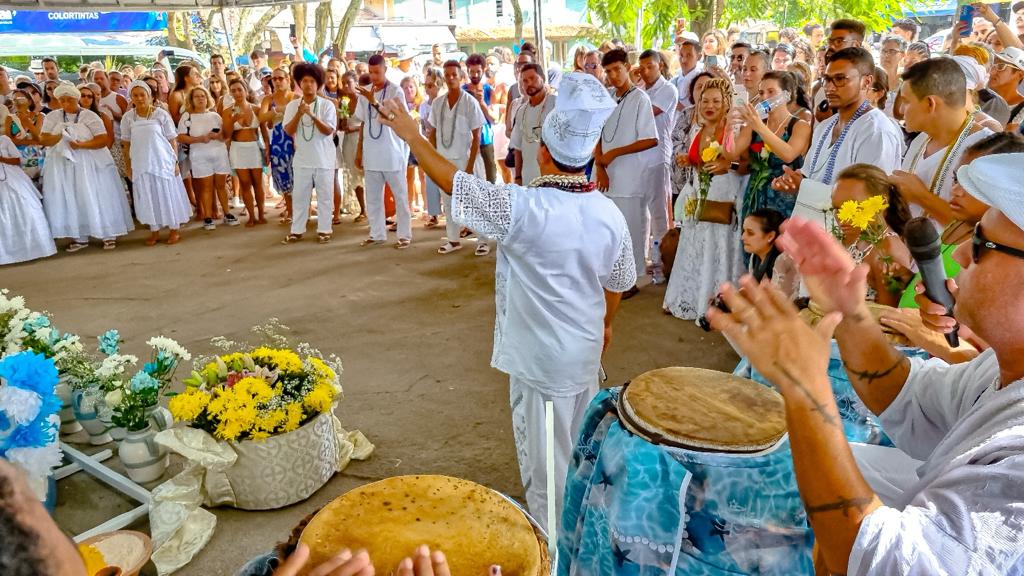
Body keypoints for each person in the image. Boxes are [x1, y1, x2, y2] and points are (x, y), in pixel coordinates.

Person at [709, 151, 1024, 575]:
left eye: (983, 243)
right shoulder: (1003, 369)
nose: (963, 254)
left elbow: (889, 564)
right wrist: (852, 315)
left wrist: (806, 388)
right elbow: (915, 401)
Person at [378, 71, 635, 533]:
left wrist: (413, 136)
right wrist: (607, 326)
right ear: (590, 156)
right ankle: (579, 529)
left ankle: (557, 551)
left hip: (543, 363)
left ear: (542, 153)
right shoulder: (608, 213)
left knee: (549, 473)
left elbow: (456, 183)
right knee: (579, 448)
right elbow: (616, 282)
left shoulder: (523, 208)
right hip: (582, 353)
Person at [773, 48, 903, 202]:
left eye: (840, 79)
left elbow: (871, 197)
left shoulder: (876, 131)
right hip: (811, 220)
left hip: (847, 225)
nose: (829, 87)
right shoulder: (825, 126)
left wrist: (805, 186)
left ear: (866, 82)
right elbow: (809, 174)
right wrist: (792, 180)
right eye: (826, 79)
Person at [663, 77, 744, 320]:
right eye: (705, 100)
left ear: (726, 103)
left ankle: (719, 300)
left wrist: (728, 164)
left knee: (717, 242)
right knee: (696, 242)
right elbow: (700, 159)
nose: (710, 105)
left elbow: (744, 164)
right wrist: (689, 160)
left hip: (724, 190)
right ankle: (691, 297)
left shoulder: (732, 129)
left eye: (716, 101)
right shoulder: (698, 129)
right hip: (700, 189)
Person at [891, 58, 993, 226]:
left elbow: (981, 229)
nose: (901, 110)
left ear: (930, 103)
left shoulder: (985, 148)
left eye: (907, 101)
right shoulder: (921, 140)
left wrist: (921, 196)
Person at [39, 82, 133, 251]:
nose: (66, 103)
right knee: (73, 197)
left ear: (77, 100)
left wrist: (81, 145)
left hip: (90, 163)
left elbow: (103, 139)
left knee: (96, 195)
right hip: (64, 165)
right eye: (62, 100)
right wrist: (61, 134)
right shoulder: (53, 117)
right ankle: (79, 236)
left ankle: (108, 233)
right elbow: (44, 139)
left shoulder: (89, 116)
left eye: (69, 100)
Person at [595, 49, 658, 299]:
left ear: (627, 67)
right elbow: (597, 134)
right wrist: (600, 164)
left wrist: (615, 154)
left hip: (630, 175)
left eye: (617, 69)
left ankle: (630, 280)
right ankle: (611, 274)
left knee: (630, 227)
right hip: (605, 174)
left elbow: (650, 139)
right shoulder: (607, 97)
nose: (613, 75)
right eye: (608, 71)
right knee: (606, 227)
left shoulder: (640, 98)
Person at [728, 70, 811, 221]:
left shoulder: (800, 125)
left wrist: (759, 126)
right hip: (755, 197)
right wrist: (729, 126)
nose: (764, 97)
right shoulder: (754, 125)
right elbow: (731, 153)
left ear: (787, 95)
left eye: (771, 92)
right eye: (761, 92)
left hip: (784, 201)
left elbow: (788, 154)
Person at [121, 81, 191, 246]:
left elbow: (172, 140)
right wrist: (128, 165)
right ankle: (154, 230)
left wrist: (174, 162)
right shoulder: (128, 118)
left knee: (166, 194)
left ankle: (174, 229)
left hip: (162, 161)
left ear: (150, 96)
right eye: (135, 95)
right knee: (147, 195)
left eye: (142, 95)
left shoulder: (161, 114)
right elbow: (126, 144)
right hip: (140, 162)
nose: (139, 98)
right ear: (131, 97)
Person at [354, 54, 412, 249]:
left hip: (392, 153)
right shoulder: (365, 92)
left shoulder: (396, 91)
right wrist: (359, 150)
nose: (373, 76)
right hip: (371, 152)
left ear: (385, 70)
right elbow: (363, 122)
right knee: (373, 197)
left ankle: (404, 235)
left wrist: (374, 102)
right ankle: (377, 233)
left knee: (400, 196)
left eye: (377, 72)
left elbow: (396, 117)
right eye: (370, 73)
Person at [427, 60, 485, 255]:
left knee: (473, 199)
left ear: (461, 77)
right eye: (447, 75)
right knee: (448, 200)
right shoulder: (437, 103)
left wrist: (469, 167)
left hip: (465, 159)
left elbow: (477, 136)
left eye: (454, 75)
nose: (451, 78)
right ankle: (453, 239)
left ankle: (483, 239)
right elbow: (432, 133)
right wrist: (433, 159)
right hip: (444, 160)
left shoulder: (470, 102)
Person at [281, 63, 338, 245]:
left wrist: (312, 115)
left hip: (324, 159)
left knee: (324, 196)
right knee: (300, 196)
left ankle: (324, 230)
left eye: (312, 81)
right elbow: (289, 131)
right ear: (299, 83)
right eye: (304, 81)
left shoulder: (327, 105)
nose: (308, 85)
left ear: (318, 84)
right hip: (302, 159)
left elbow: (329, 130)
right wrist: (299, 114)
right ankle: (297, 230)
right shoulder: (292, 106)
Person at [638, 49, 678, 284]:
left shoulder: (668, 89)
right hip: (640, 158)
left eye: (649, 66)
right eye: (641, 67)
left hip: (658, 157)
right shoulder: (641, 90)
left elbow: (645, 113)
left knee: (659, 213)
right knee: (642, 210)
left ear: (660, 66)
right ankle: (644, 259)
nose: (645, 71)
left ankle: (663, 265)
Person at [179, 86, 236, 231]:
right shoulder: (187, 117)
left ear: (207, 98)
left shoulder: (215, 116)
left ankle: (227, 213)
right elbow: (180, 137)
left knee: (221, 185)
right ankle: (208, 216)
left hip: (219, 153)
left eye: (202, 96)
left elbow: (225, 135)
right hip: (200, 155)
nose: (200, 99)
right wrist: (201, 138)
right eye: (196, 96)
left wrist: (219, 136)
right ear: (191, 100)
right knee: (206, 187)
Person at [0, 134, 57, 265]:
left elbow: (17, 160)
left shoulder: (4, 140)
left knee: (24, 209)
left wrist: (1, 158)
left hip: (12, 178)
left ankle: (31, 249)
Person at [223, 79, 266, 226]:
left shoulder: (256, 109)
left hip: (254, 147)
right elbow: (226, 135)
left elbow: (264, 131)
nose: (237, 93)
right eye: (233, 90)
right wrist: (232, 120)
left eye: (239, 89)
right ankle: (251, 216)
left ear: (246, 91)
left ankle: (261, 214)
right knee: (245, 183)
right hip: (238, 148)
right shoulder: (227, 111)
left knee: (258, 183)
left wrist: (267, 147)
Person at [260, 67, 298, 223]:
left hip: (294, 139)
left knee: (300, 177)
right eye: (273, 79)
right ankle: (290, 212)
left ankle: (303, 211)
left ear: (287, 79)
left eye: (280, 78)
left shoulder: (295, 97)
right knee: (284, 179)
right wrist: (278, 111)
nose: (276, 81)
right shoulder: (268, 99)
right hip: (277, 142)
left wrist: (276, 111)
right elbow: (261, 118)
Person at [510, 63, 555, 187]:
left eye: (533, 78)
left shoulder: (556, 105)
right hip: (527, 178)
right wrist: (518, 176)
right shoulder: (521, 111)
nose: (529, 83)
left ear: (543, 78)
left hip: (552, 179)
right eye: (525, 81)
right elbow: (517, 148)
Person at [464, 54, 498, 186]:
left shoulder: (489, 90)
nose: (475, 75)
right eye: (472, 71)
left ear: (483, 71)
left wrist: (482, 102)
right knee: (471, 177)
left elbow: (494, 118)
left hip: (486, 139)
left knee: (491, 176)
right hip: (468, 140)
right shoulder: (462, 92)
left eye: (478, 71)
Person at [339, 71, 366, 223]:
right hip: (349, 141)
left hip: (362, 139)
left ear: (355, 83)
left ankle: (376, 208)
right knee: (354, 174)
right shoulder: (343, 102)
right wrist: (342, 120)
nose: (345, 86)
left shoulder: (363, 100)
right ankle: (363, 209)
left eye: (348, 82)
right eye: (343, 83)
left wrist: (354, 129)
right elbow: (342, 125)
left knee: (367, 173)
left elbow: (367, 122)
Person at [4, 89, 45, 183]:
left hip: (36, 157)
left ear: (29, 101)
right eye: (14, 99)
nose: (17, 101)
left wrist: (26, 120)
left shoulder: (39, 116)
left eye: (21, 98)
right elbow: (9, 140)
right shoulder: (10, 118)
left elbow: (38, 137)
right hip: (17, 156)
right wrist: (31, 142)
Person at [989, 47, 1024, 131]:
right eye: (993, 65)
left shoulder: (1022, 110)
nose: (992, 72)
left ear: (1020, 74)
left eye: (1001, 67)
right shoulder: (979, 93)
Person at [672, 35, 704, 110]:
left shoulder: (702, 80)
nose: (684, 60)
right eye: (681, 55)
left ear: (698, 57)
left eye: (689, 55)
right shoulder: (674, 80)